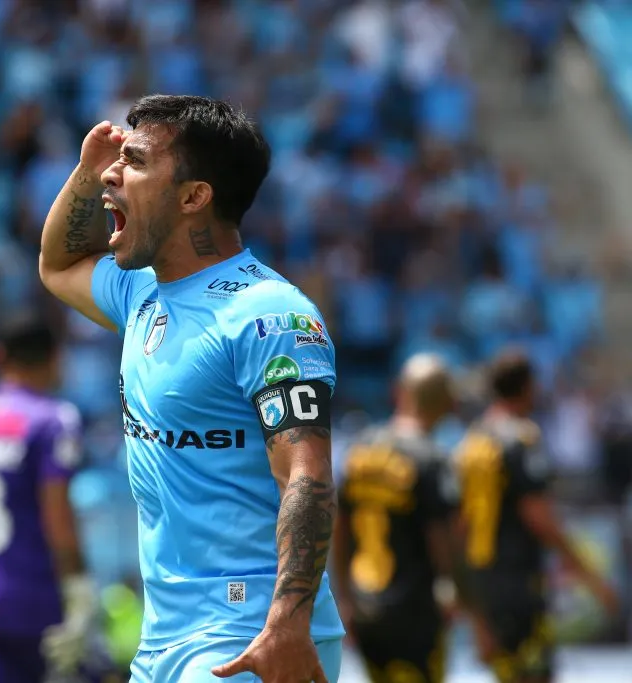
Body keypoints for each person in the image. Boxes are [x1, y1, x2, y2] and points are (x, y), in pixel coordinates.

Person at [39, 94, 344, 682]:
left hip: (248, 632)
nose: (111, 175)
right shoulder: (140, 294)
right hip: (164, 639)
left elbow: (306, 477)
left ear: (193, 196)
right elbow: (57, 265)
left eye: (134, 162)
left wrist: (286, 622)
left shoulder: (269, 315)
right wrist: (84, 172)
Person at [0, 315, 97, 683]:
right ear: (55, 358)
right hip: (35, 597)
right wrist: (77, 585)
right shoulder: (53, 419)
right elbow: (56, 512)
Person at [454, 349, 621, 683]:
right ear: (527, 387)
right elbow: (539, 519)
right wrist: (592, 578)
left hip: (483, 581)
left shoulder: (471, 442)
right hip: (517, 581)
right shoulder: (521, 438)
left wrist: (470, 603)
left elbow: (460, 524)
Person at [331, 353, 460, 683]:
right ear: (446, 403)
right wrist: (453, 590)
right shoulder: (431, 458)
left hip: (365, 605)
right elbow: (441, 542)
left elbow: (340, 530)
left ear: (400, 393)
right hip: (415, 609)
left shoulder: (360, 450)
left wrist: (345, 598)